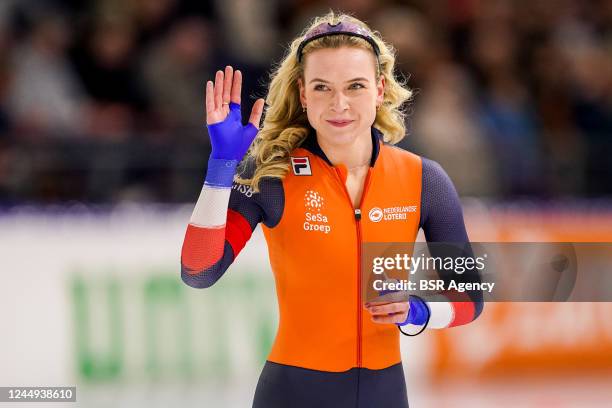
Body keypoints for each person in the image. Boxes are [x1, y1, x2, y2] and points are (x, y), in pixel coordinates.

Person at [180, 11, 483, 408]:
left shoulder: (424, 180)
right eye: (322, 88)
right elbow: (199, 272)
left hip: (385, 393)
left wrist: (419, 311)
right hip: (292, 393)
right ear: (303, 94)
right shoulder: (270, 176)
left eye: (355, 86)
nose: (339, 104)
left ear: (379, 89)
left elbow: (470, 299)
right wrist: (221, 166)